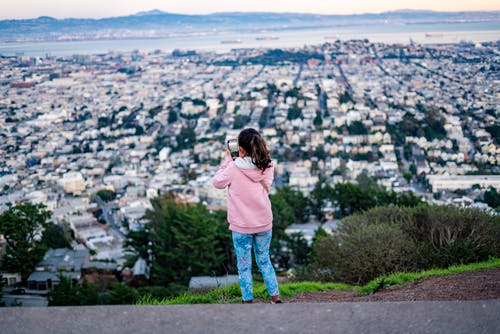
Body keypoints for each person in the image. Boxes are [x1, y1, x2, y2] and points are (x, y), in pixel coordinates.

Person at [212, 128, 281, 304]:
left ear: (240, 149)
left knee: (244, 265)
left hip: (241, 226)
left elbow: (217, 182)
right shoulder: (268, 165)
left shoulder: (233, 167)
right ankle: (275, 297)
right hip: (264, 222)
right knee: (264, 261)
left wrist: (228, 159)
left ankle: (248, 300)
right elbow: (267, 184)